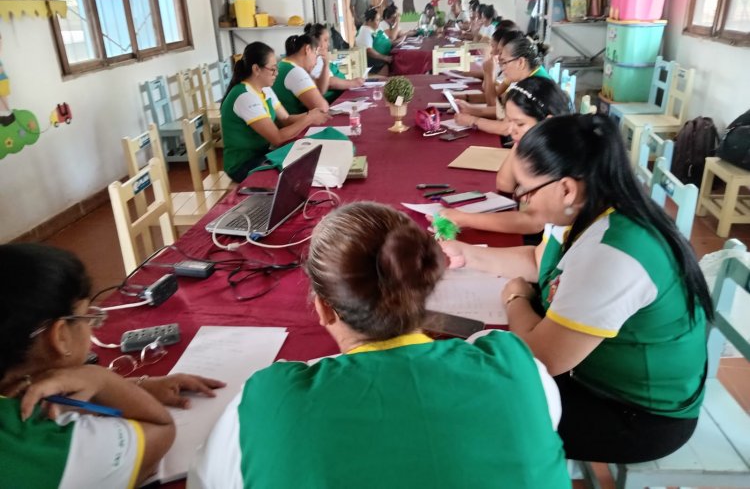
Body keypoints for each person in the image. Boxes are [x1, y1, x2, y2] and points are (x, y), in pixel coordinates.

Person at [189, 202, 571, 489]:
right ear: (424, 288)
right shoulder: (518, 369)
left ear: (323, 308)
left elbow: (206, 479)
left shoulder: (266, 403)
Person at [440, 114, 712, 464]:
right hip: (592, 375)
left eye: (525, 190)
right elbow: (539, 261)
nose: (523, 201)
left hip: (636, 415)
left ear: (566, 188)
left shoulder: (614, 253)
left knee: (470, 411)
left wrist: (516, 299)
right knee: (468, 382)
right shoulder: (589, 210)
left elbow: (541, 358)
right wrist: (468, 255)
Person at [0, 243, 225, 488]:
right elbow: (160, 429)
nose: (93, 325)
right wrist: (101, 379)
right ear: (60, 336)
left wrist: (137, 386)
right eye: (87, 316)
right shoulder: (45, 447)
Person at [436, 77, 572, 236]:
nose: (510, 130)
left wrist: (465, 219)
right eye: (509, 121)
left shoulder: (555, 157)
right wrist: (519, 139)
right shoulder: (535, 144)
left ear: (547, 122)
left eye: (520, 123)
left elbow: (533, 222)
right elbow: (504, 185)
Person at [221, 42, 330, 182]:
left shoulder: (264, 88)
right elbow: (277, 138)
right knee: (298, 169)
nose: (276, 73)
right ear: (256, 69)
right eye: (272, 69)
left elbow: (286, 119)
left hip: (262, 154)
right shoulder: (245, 96)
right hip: (243, 164)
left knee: (306, 153)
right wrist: (308, 119)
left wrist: (313, 114)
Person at [455, 31, 551, 134]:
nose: (502, 67)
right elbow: (505, 113)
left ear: (520, 62)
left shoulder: (535, 84)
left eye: (504, 62)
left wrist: (471, 120)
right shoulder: (529, 74)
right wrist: (471, 110)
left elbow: (506, 127)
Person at [305, 23, 365, 104]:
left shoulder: (320, 57)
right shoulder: (315, 59)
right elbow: (329, 82)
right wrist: (352, 83)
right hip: (331, 102)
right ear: (315, 39)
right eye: (325, 40)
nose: (328, 44)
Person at [272, 34, 331, 115]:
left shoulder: (282, 65)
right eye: (316, 55)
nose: (316, 62)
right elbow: (323, 108)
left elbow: (321, 90)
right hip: (297, 125)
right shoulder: (295, 71)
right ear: (307, 49)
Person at [355, 8, 392, 76]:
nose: (379, 22)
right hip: (370, 61)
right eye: (377, 20)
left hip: (378, 58)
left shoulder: (374, 29)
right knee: (386, 64)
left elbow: (389, 40)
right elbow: (369, 51)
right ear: (369, 21)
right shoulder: (365, 31)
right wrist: (384, 57)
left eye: (379, 19)